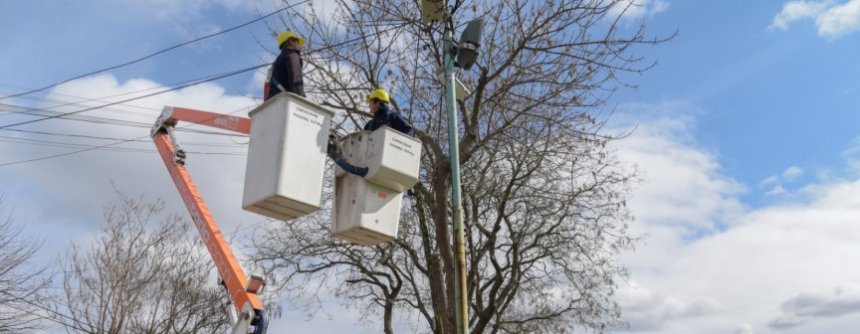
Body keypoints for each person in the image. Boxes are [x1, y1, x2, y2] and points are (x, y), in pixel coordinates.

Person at [328, 88, 414, 177]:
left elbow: (409, 131)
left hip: (392, 160)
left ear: (377, 102)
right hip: (373, 163)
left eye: (371, 102)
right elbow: (363, 145)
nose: (369, 105)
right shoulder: (370, 125)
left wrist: (397, 144)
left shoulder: (393, 117)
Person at [265, 31, 305, 100]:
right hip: (285, 101)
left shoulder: (278, 60)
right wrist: (301, 100)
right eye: (297, 42)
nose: (300, 45)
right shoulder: (292, 55)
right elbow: (296, 80)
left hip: (274, 100)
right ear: (291, 41)